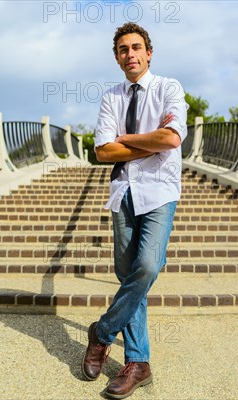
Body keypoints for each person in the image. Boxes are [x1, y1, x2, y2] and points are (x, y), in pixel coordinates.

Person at [82, 22, 188, 399]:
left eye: (136, 47)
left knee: (146, 267)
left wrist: (125, 138)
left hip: (160, 191)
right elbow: (102, 153)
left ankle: (102, 332)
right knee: (129, 276)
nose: (130, 54)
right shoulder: (111, 97)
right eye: (123, 49)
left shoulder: (168, 88)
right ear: (117, 57)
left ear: (149, 52)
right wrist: (150, 143)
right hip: (123, 191)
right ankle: (138, 364)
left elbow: (172, 137)